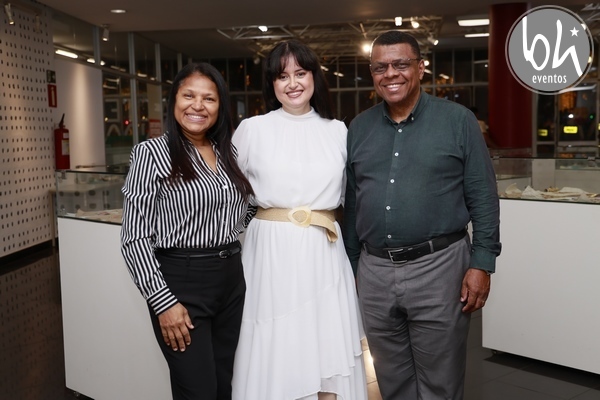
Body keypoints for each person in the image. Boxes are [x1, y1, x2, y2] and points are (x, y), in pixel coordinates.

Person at [342, 31, 501, 400]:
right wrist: (353, 267)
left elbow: (483, 196)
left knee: (439, 382)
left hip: (439, 267)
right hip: (375, 271)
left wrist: (482, 263)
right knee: (391, 380)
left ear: (421, 67)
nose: (390, 74)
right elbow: (352, 202)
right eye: (380, 67)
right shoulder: (359, 128)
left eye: (401, 64)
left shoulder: (458, 121)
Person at [231, 39, 368, 400]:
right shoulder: (252, 129)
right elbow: (227, 192)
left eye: (300, 73)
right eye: (282, 76)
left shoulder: (338, 131)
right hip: (269, 252)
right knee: (275, 340)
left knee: (325, 343)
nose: (292, 83)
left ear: (314, 77)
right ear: (272, 84)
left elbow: (354, 197)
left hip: (324, 250)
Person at [121, 62, 254, 400]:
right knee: (199, 391)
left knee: (223, 385)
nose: (198, 105)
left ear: (220, 106)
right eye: (189, 96)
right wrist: (162, 302)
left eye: (209, 98)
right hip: (181, 283)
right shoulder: (151, 153)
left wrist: (234, 229)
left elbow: (243, 210)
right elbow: (134, 238)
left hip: (230, 279)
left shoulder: (228, 152)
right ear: (174, 100)